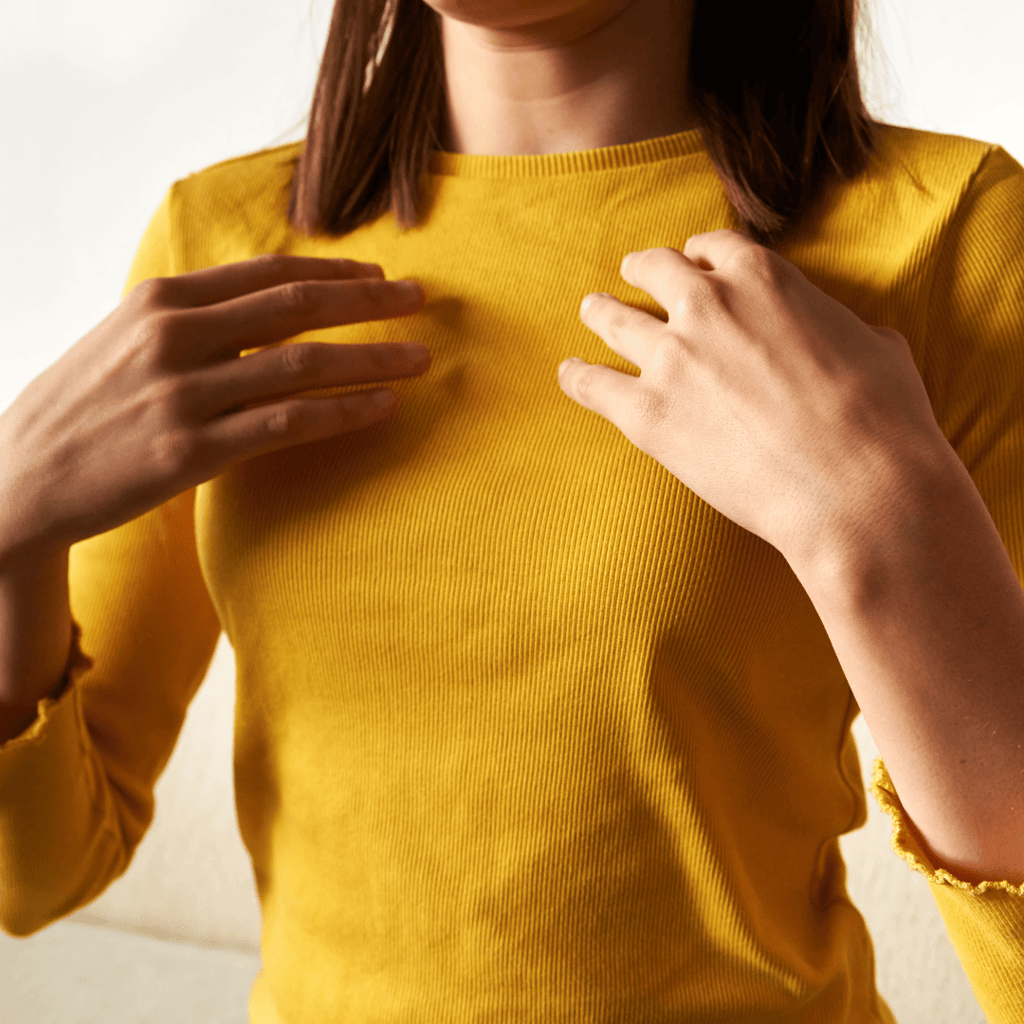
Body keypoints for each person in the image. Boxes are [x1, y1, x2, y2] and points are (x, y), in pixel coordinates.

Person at [1, 0, 1022, 1021]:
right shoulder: (216, 245)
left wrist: (875, 521)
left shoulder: (947, 235)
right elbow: (32, 877)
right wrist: (10, 532)